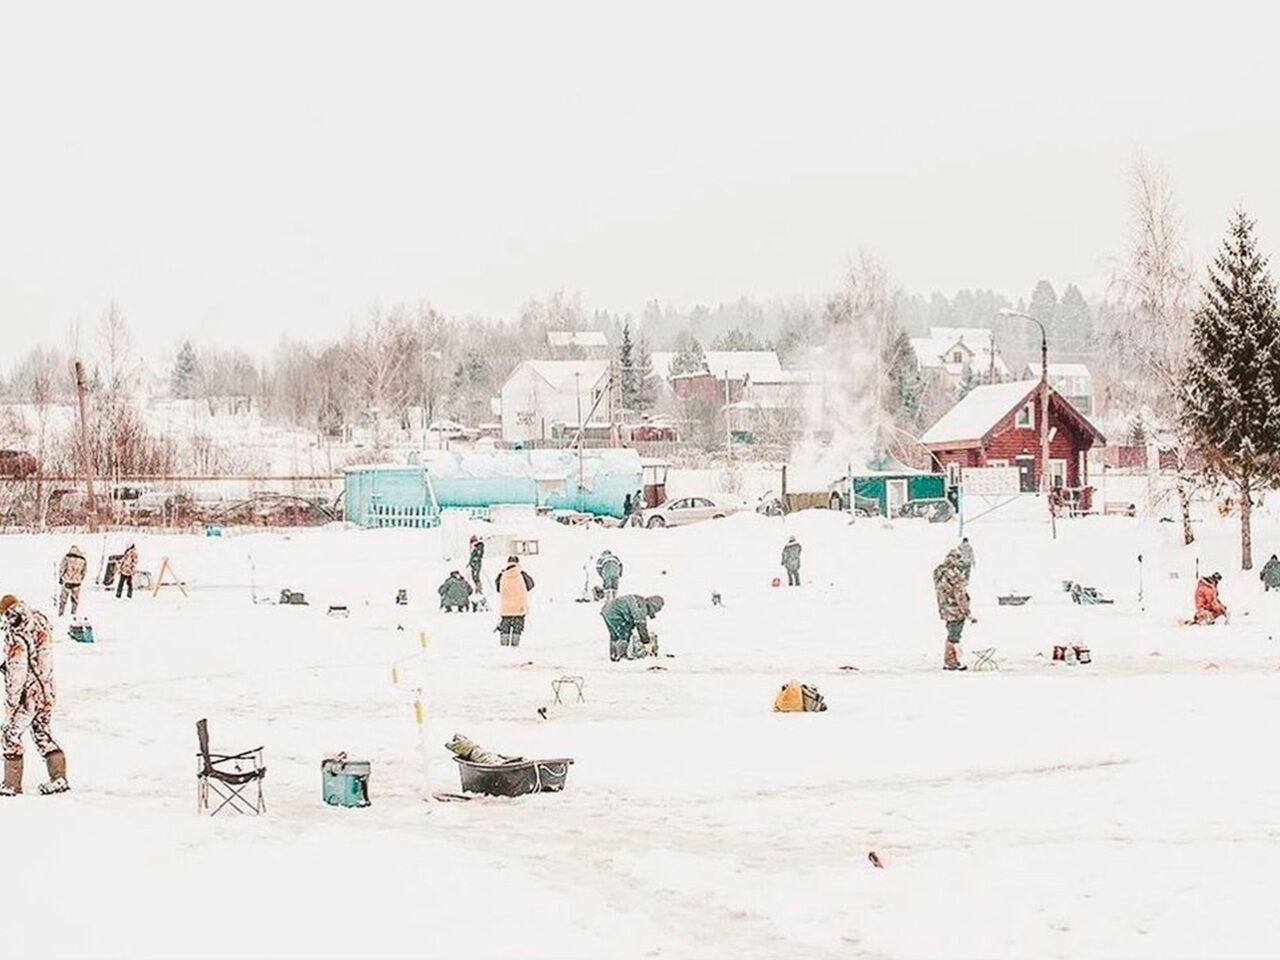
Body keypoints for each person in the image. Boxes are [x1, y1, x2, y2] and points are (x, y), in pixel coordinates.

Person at [1, 595, 68, 796]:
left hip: (28, 695)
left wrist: (12, 700)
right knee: (41, 732)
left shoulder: (16, 633)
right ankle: (59, 778)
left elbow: (18, 669)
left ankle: (11, 784)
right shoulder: (39, 623)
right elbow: (37, 657)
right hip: (47, 690)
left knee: (9, 734)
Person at [933, 548, 973, 671]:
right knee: (954, 635)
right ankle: (951, 661)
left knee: (951, 632)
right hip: (955, 609)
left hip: (944, 607)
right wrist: (966, 611)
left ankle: (950, 659)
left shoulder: (939, 572)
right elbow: (959, 594)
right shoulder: (955, 574)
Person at [601, 594, 664, 661]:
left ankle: (614, 655)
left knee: (615, 635)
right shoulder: (640, 607)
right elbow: (641, 625)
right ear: (654, 606)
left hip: (608, 609)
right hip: (615, 612)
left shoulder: (640, 601)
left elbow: (632, 620)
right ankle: (621, 657)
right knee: (624, 634)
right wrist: (646, 642)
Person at [495, 556, 534, 646]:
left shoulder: (502, 574)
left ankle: (504, 646)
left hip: (506, 608)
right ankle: (515, 646)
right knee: (517, 628)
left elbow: (498, 588)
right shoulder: (522, 574)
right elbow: (531, 585)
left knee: (505, 628)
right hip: (519, 607)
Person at [58, 544, 87, 617]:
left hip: (67, 581)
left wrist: (61, 578)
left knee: (63, 599)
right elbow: (84, 572)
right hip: (77, 583)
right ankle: (73, 613)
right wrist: (80, 579)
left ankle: (61, 613)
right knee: (75, 600)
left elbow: (62, 568)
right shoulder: (82, 560)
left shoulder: (66, 558)